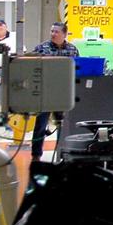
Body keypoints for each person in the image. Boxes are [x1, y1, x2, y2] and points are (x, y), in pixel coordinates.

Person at [28, 22, 79, 160]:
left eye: (56, 31)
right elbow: (31, 67)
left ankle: (62, 153)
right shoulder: (41, 48)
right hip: (46, 93)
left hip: (63, 93)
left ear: (64, 34)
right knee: (41, 125)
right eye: (52, 31)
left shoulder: (72, 50)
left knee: (62, 125)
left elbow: (77, 69)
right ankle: (36, 155)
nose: (53, 34)